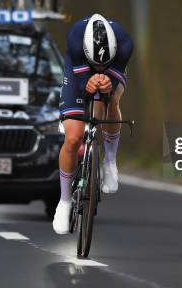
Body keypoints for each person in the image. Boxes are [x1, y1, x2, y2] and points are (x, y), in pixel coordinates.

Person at [52, 13, 134, 234]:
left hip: (113, 67)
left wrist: (106, 82)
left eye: (103, 64)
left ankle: (109, 161)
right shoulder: (76, 39)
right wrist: (88, 83)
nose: (100, 68)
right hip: (78, 69)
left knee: (112, 100)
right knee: (73, 137)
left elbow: (108, 88)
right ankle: (65, 201)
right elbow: (82, 84)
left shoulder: (125, 42)